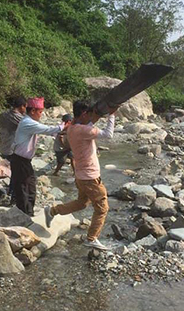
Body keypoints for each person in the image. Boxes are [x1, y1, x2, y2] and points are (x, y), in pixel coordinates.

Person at [44, 101, 116, 251]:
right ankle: (91, 238)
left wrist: (95, 116)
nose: (90, 117)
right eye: (88, 114)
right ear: (84, 114)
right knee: (102, 208)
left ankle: (53, 211)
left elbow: (89, 123)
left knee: (82, 203)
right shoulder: (83, 130)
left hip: (81, 176)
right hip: (90, 177)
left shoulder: (71, 129)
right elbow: (108, 135)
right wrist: (112, 115)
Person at [10, 97, 67, 216]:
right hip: (20, 160)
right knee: (24, 188)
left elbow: (50, 130)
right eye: (40, 112)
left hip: (23, 160)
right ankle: (25, 213)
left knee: (29, 186)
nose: (41, 115)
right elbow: (48, 130)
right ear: (33, 111)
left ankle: (28, 212)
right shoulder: (27, 122)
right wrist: (63, 125)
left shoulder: (30, 122)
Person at [0, 95, 26, 160]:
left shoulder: (2, 115)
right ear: (22, 106)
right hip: (13, 152)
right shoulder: (19, 119)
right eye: (25, 107)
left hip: (3, 148)